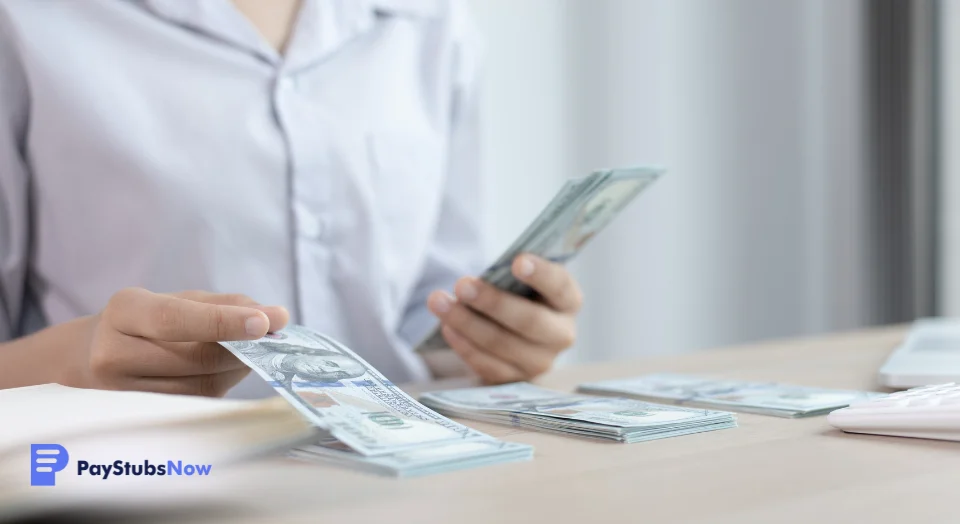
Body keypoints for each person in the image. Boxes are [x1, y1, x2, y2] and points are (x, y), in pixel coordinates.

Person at [0, 0, 583, 398]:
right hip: (135, 483)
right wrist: (73, 361)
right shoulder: (28, 22)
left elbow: (421, 304)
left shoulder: (429, 21)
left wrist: (495, 341)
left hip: (399, 494)